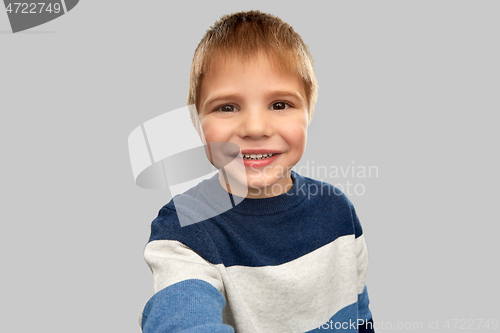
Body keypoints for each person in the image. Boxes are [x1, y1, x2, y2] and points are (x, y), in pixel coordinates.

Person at [140, 10, 374, 332]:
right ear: (196, 123)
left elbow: (361, 319)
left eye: (280, 105)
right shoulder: (184, 226)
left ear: (309, 113)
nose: (254, 127)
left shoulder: (338, 211)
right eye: (227, 107)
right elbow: (182, 320)